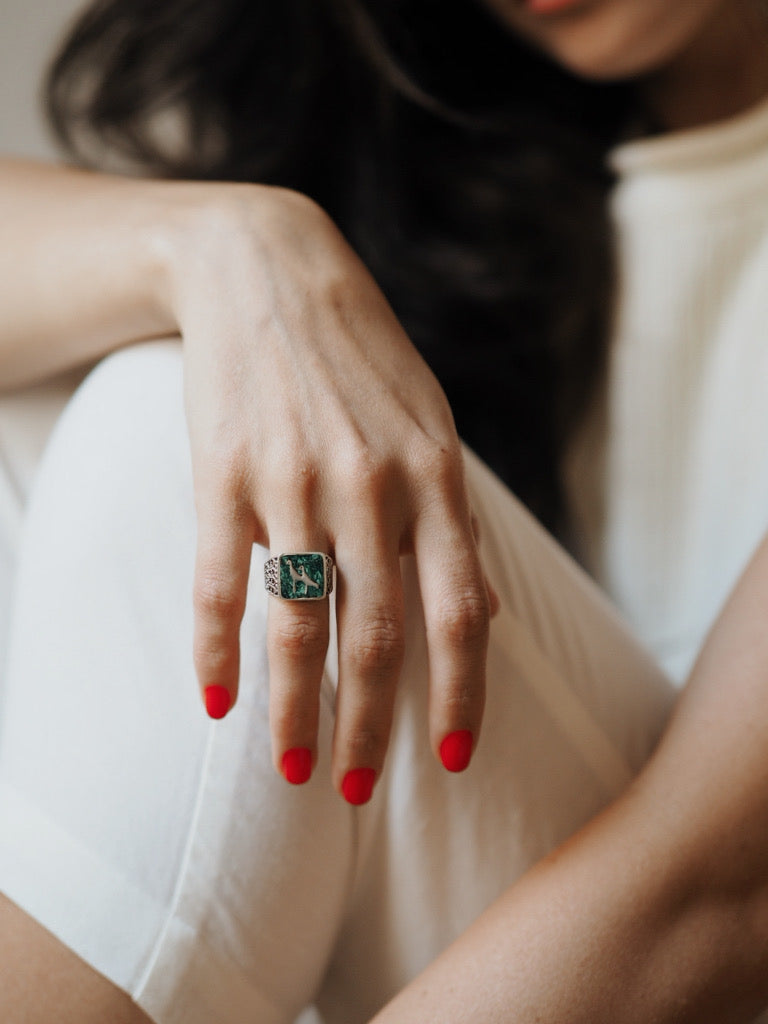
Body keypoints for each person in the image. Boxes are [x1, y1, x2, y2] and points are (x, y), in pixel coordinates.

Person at [1, 0, 768, 1020]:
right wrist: (232, 243)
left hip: (667, 950)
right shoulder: (426, 143)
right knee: (72, 398)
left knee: (184, 448)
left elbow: (719, 893)